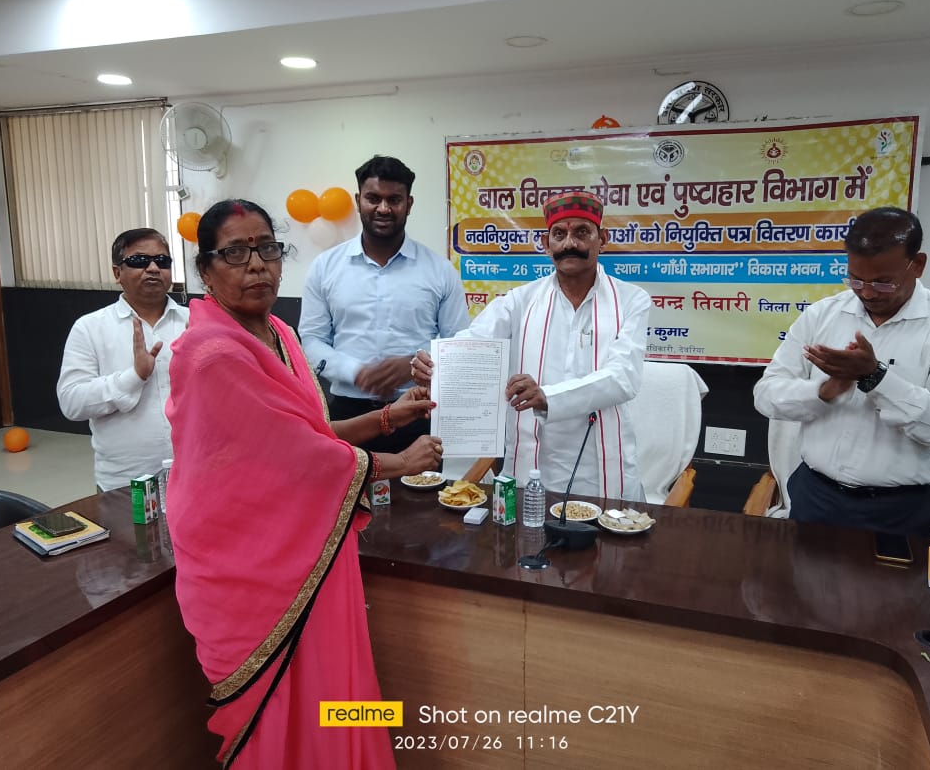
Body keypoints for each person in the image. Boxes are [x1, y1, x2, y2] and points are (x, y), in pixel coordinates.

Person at [165, 199, 440, 770]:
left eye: (267, 248)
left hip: (303, 544)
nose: (256, 265)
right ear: (205, 269)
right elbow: (302, 456)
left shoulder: (280, 334)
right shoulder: (212, 353)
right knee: (275, 705)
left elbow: (308, 432)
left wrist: (388, 416)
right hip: (248, 565)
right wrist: (398, 462)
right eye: (235, 253)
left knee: (332, 683)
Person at [753, 206, 930, 537]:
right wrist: (824, 391)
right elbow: (765, 396)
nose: (866, 292)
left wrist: (876, 378)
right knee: (803, 573)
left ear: (917, 265)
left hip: (900, 511)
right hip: (815, 496)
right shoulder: (822, 315)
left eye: (883, 283)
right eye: (856, 279)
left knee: (892, 576)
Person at [415, 191, 651, 500]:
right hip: (533, 466)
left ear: (602, 239)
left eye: (582, 232)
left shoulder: (631, 300)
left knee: (609, 532)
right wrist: (434, 366)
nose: (570, 243)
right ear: (546, 243)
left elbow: (623, 377)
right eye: (559, 234)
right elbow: (473, 343)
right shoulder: (519, 301)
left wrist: (546, 396)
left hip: (602, 468)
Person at [299, 154, 470, 452]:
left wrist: (415, 365)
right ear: (358, 200)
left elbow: (459, 344)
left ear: (409, 204)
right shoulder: (325, 267)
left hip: (418, 413)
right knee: (345, 483)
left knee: (421, 484)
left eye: (394, 199)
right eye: (373, 198)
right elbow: (312, 340)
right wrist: (356, 372)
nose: (383, 208)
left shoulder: (440, 270)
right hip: (348, 414)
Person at [57, 228, 189, 491]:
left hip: (194, 474)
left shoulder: (193, 322)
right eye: (140, 261)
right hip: (125, 483)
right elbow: (72, 402)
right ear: (117, 273)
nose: (153, 268)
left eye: (162, 261)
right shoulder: (90, 328)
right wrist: (134, 377)